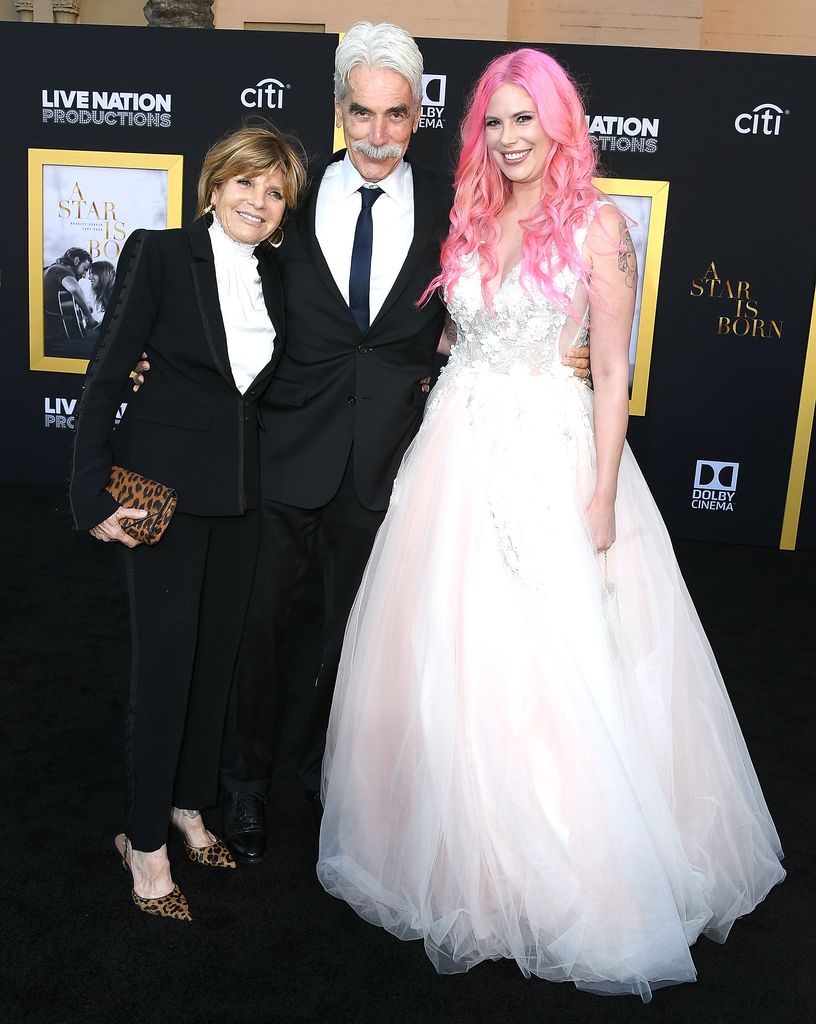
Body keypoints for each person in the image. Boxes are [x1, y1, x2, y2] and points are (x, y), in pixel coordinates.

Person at [316, 49, 785, 999]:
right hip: (456, 444)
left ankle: (565, 867)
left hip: (551, 455)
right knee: (450, 642)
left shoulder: (600, 226)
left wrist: (604, 492)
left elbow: (610, 370)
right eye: (494, 121)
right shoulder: (474, 214)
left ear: (563, 124)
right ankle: (454, 849)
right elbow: (455, 333)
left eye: (528, 119)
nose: (510, 137)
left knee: (553, 650)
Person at [217, 22, 591, 863]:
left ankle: (324, 776)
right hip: (284, 451)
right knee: (258, 631)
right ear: (338, 110)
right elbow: (224, 284)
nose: (379, 134)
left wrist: (565, 348)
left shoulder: (457, 203)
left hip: (389, 464)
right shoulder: (291, 197)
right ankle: (242, 786)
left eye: (396, 115)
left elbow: (492, 294)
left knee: (353, 638)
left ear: (418, 114)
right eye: (362, 114)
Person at [70, 125, 307, 920]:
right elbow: (107, 373)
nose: (259, 201)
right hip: (160, 498)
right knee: (164, 670)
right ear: (214, 185)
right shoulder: (162, 253)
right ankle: (142, 844)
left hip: (238, 499)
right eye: (246, 184)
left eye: (275, 193)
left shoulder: (275, 275)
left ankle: (188, 803)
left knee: (215, 665)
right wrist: (91, 496)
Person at [43, 247, 97, 357]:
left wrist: (83, 303)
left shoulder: (49, 269)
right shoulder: (63, 270)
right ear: (76, 260)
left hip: (47, 334)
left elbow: (63, 299)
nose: (84, 275)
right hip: (57, 335)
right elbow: (75, 289)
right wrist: (89, 317)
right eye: (84, 269)